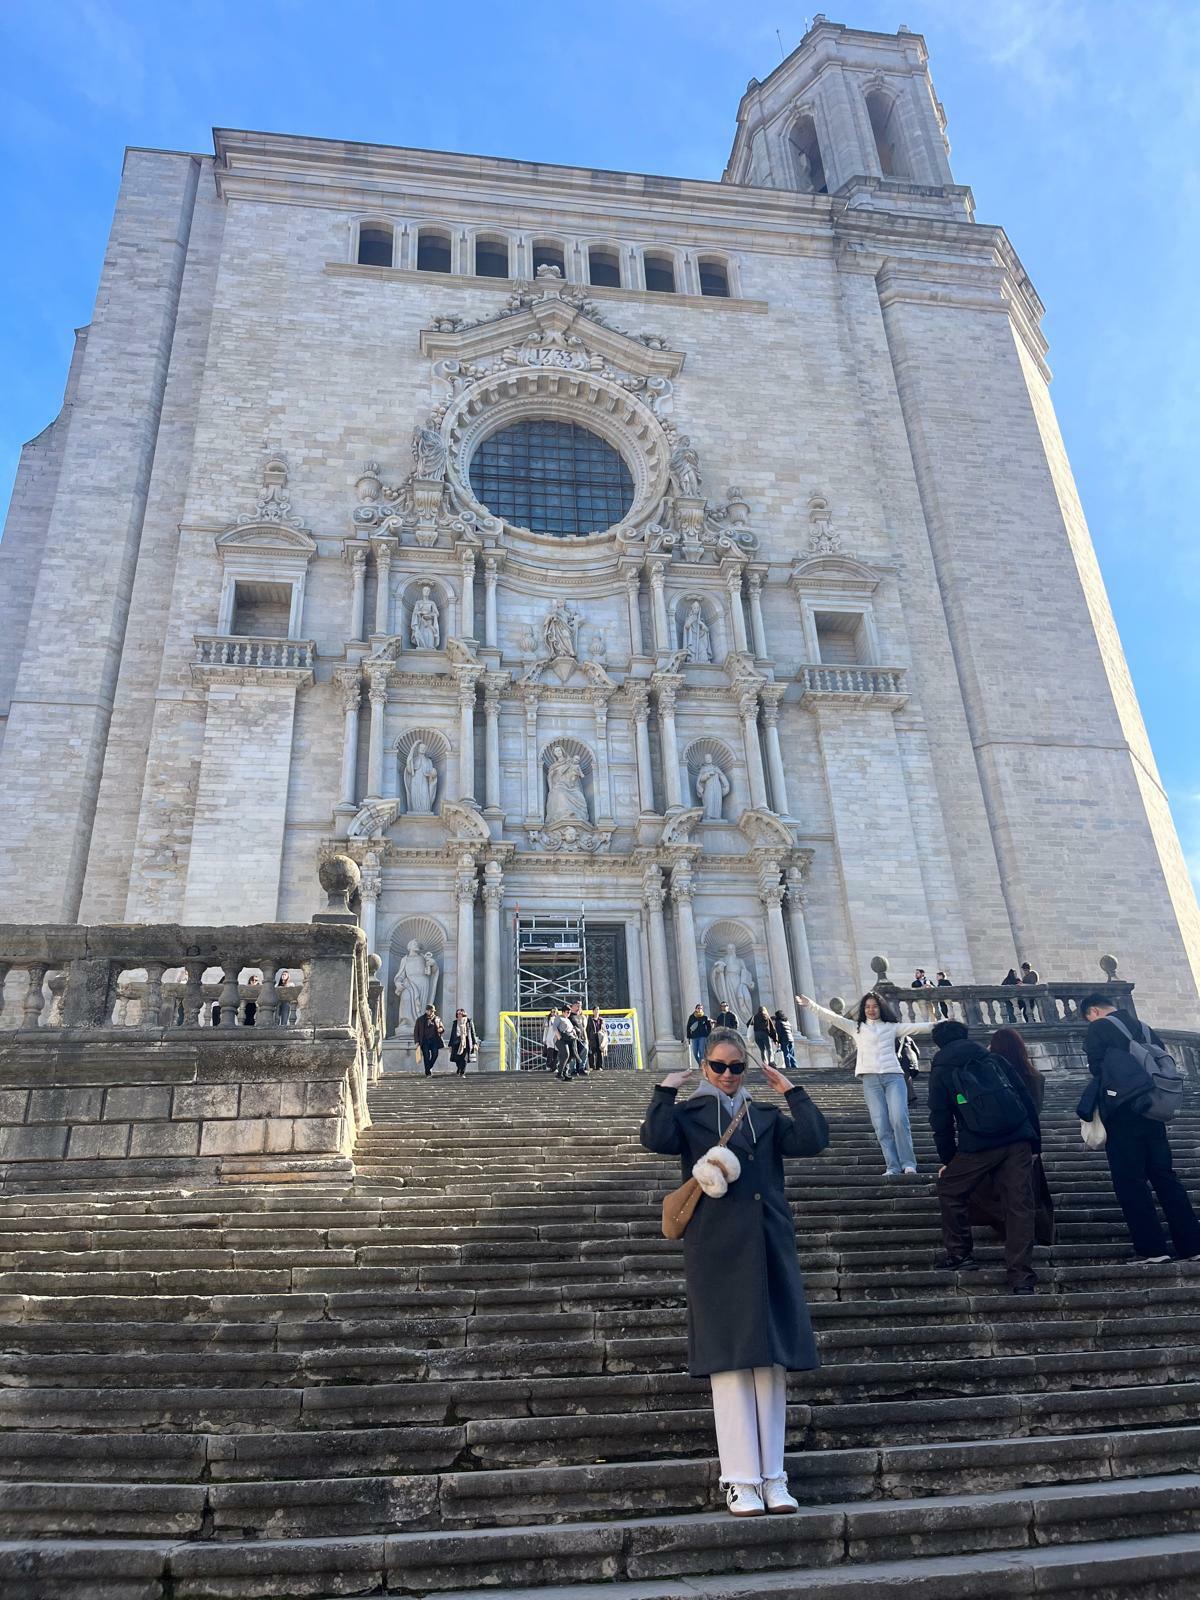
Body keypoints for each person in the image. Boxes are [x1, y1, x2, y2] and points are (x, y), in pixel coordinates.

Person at [640, 1026, 829, 1518]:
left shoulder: (764, 1115)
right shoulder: (689, 1115)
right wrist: (664, 1091)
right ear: (705, 1066)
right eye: (719, 1066)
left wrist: (792, 1092)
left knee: (770, 1363)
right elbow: (655, 1139)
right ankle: (741, 1480)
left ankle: (775, 1477)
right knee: (729, 1364)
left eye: (736, 1067)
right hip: (716, 1247)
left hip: (767, 1242)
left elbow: (812, 1139)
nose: (727, 1074)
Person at [1080, 994, 1200, 1264]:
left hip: (1123, 1112)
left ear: (1094, 1011)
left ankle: (1152, 1249)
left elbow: (1097, 1068)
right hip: (1153, 1110)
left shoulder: (1099, 1027)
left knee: (1130, 1181)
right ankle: (1193, 1245)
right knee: (1165, 1177)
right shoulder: (1145, 1028)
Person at [927, 1019, 1041, 1292]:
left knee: (950, 1189)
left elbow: (940, 1119)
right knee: (1019, 1204)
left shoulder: (942, 1069)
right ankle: (1021, 1276)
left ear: (939, 1043)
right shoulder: (993, 1059)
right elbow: (1024, 1097)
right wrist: (1034, 1142)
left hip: (978, 1142)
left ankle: (960, 1254)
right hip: (1017, 1138)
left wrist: (948, 1160)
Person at [797, 992, 932, 1177]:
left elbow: (918, 1027)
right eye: (867, 1006)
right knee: (881, 1125)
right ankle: (892, 1166)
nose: (871, 1010)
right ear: (863, 1009)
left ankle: (908, 1163)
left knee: (899, 1119)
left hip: (894, 1077)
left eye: (875, 1006)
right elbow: (832, 1017)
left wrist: (942, 1023)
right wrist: (810, 1005)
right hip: (870, 1080)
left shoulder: (892, 1027)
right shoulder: (857, 1028)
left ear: (881, 1008)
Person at [968, 1028, 1055, 1248]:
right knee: (1030, 1191)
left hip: (1000, 1140)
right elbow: (1036, 1110)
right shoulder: (1035, 1077)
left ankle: (1011, 1228)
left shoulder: (992, 1077)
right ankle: (1036, 1232)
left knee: (998, 1189)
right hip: (1027, 1139)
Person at [414, 1004, 445, 1076]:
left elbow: (442, 1027)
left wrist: (441, 1029)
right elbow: (416, 1031)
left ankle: (428, 1068)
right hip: (424, 1041)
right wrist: (417, 1041)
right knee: (426, 1056)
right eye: (430, 1011)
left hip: (434, 1040)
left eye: (433, 1011)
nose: (431, 1013)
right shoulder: (420, 1019)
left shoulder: (437, 1018)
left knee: (435, 1054)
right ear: (426, 1011)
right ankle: (428, 1073)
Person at [448, 1008, 477, 1076]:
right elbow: (452, 1034)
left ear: (463, 1014)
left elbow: (472, 1032)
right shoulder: (455, 1022)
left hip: (465, 1041)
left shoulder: (468, 1021)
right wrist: (450, 1044)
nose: (459, 1015)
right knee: (457, 1058)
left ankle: (462, 1072)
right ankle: (459, 1068)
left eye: (460, 1014)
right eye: (458, 1014)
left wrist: (475, 1043)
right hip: (456, 1041)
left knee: (464, 1058)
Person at [586, 1007, 608, 1073]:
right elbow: (588, 1029)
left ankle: (599, 1066)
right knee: (591, 1052)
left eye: (598, 1010)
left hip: (600, 1037)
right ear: (593, 1011)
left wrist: (604, 1037)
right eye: (595, 1010)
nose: (597, 1011)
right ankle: (591, 1066)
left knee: (599, 1052)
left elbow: (604, 1030)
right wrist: (588, 1038)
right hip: (592, 1037)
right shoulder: (590, 1019)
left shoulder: (601, 1020)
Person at [542, 1008, 563, 1072]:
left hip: (556, 1039)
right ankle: (549, 1066)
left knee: (556, 1054)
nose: (553, 1013)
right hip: (550, 1038)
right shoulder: (548, 1020)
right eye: (552, 1012)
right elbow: (546, 1030)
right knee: (550, 1053)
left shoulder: (560, 1019)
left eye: (555, 1012)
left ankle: (554, 1067)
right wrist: (544, 1039)